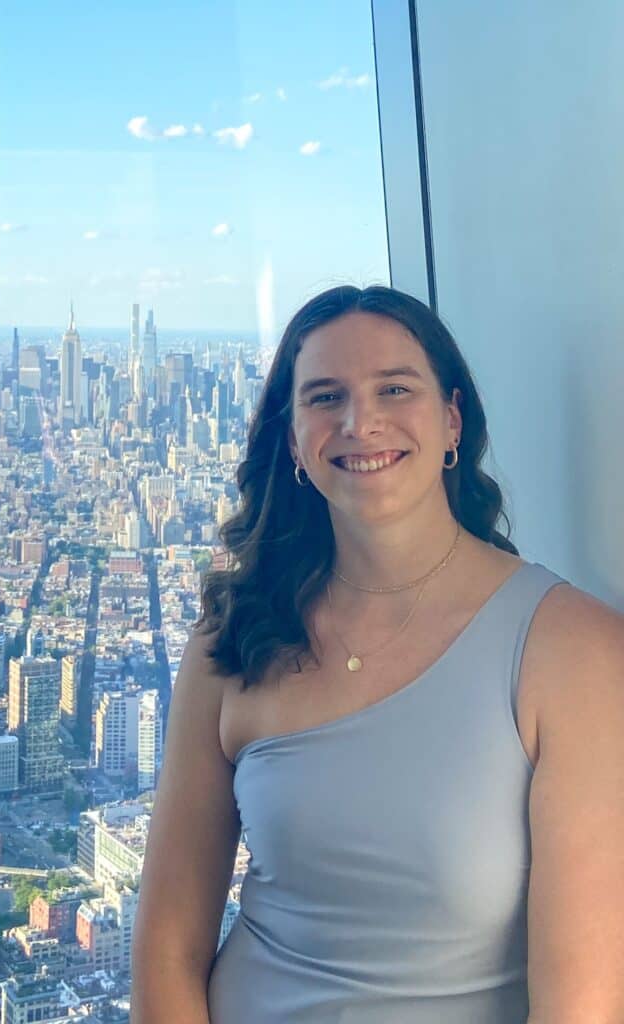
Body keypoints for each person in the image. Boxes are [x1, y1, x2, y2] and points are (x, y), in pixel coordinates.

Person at [130, 285, 624, 1023]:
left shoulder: (573, 652)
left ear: (452, 421)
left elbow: (578, 1008)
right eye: (325, 397)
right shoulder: (231, 638)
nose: (360, 422)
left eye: (395, 388)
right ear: (294, 441)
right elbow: (167, 947)